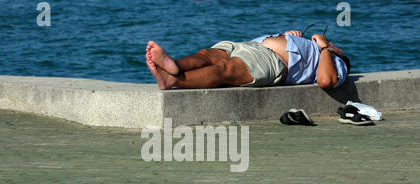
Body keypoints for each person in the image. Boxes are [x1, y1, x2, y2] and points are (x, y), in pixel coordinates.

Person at [146, 30, 350, 90]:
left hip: (272, 62)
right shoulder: (320, 51)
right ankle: (174, 65)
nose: (336, 46)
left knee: (224, 69)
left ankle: (173, 80)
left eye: (338, 49)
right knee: (207, 54)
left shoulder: (336, 62)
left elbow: (326, 80)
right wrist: (288, 35)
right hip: (249, 45)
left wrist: (324, 47)